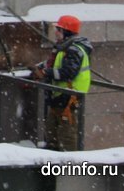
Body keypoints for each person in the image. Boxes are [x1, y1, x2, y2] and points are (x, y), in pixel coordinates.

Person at [31, 14, 92, 151]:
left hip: (69, 96)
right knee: (52, 130)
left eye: (59, 29)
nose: (56, 32)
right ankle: (53, 160)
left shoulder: (74, 50)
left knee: (67, 134)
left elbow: (67, 73)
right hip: (60, 96)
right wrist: (40, 68)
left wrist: (47, 73)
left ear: (66, 32)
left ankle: (70, 167)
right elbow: (52, 64)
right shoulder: (63, 47)